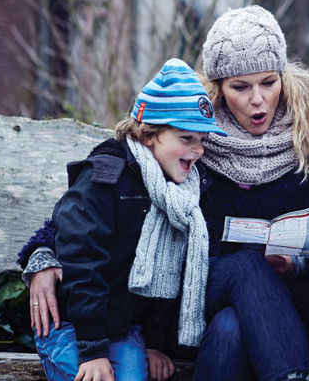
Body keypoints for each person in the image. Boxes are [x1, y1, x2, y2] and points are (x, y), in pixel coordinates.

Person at [21, 5, 309, 381]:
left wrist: (299, 263)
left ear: (283, 77)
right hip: (195, 299)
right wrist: (42, 256)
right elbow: (88, 208)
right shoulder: (192, 135)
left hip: (293, 308)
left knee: (231, 328)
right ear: (219, 89)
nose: (258, 99)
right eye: (240, 87)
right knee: (244, 272)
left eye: (268, 82)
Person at [34, 58, 221, 381]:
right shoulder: (106, 178)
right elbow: (81, 257)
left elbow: (168, 277)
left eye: (202, 140)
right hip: (72, 326)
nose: (198, 150)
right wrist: (92, 350)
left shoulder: (180, 196)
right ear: (150, 135)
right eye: (186, 138)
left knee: (133, 376)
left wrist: (155, 344)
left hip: (124, 328)